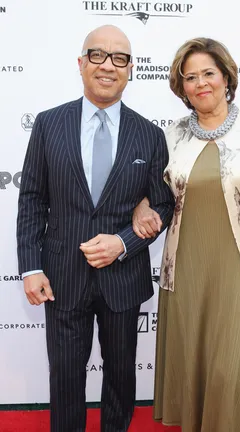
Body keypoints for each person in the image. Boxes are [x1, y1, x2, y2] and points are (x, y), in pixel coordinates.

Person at [132, 37, 240, 432]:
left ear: (226, 76)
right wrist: (141, 205)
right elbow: (152, 190)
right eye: (190, 77)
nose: (201, 83)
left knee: (231, 375)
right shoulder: (174, 135)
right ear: (181, 88)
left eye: (208, 73)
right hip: (185, 274)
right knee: (193, 374)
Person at [16, 25, 174, 432]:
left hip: (123, 279)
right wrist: (31, 267)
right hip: (62, 275)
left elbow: (162, 203)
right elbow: (32, 198)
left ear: (131, 69)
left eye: (120, 58)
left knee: (121, 378)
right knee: (65, 376)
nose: (109, 65)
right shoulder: (49, 124)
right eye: (98, 55)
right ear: (82, 63)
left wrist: (122, 243)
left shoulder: (150, 135)